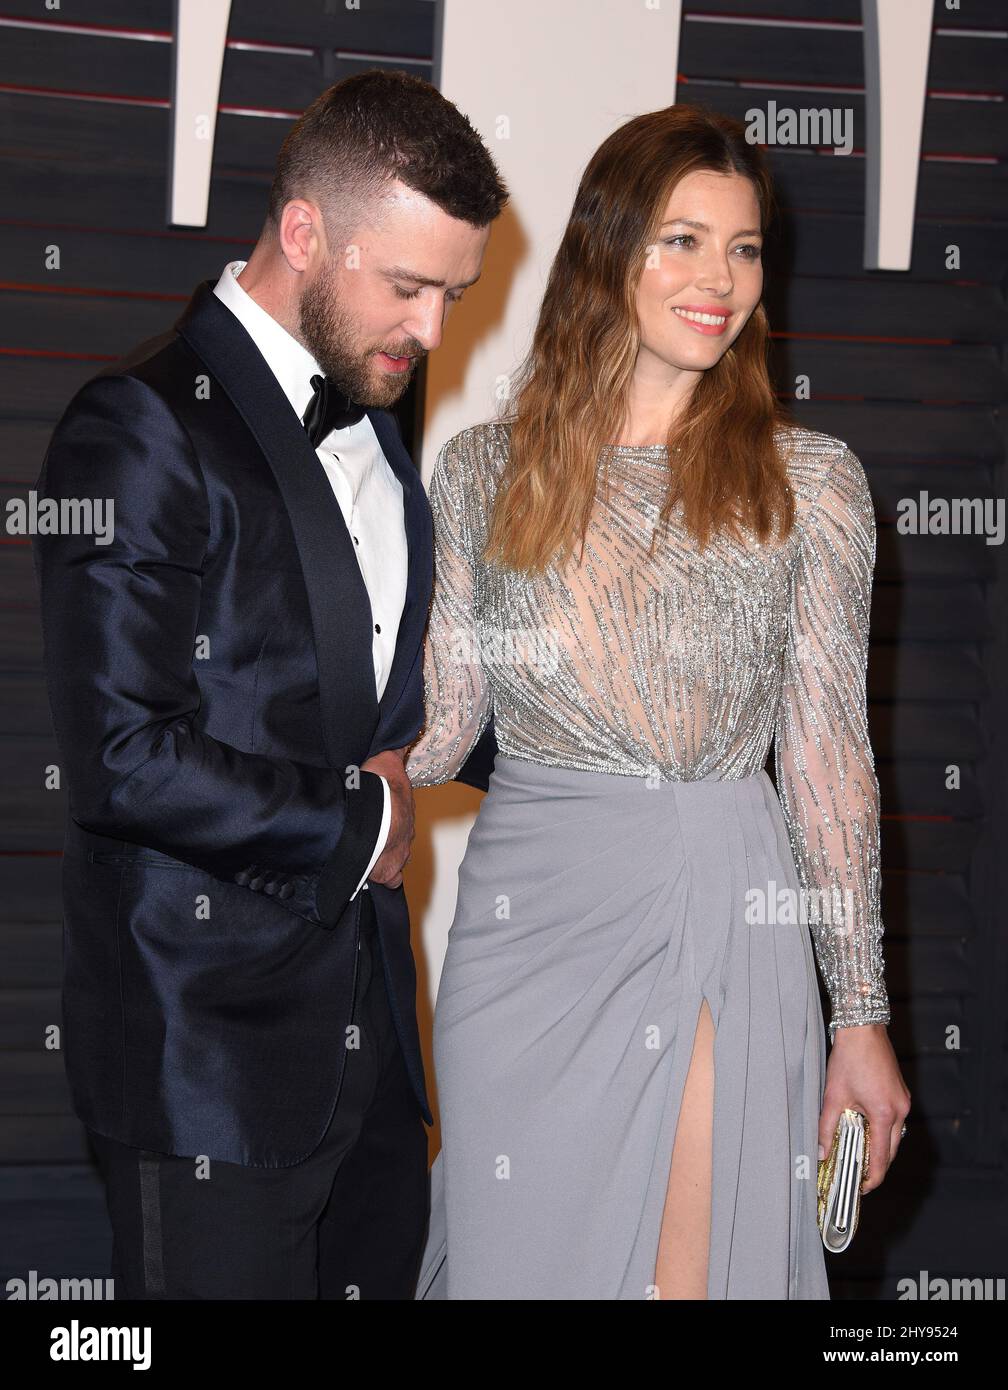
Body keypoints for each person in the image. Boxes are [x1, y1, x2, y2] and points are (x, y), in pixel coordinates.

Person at [406, 104, 911, 1300]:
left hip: (718, 901)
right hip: (524, 933)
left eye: (743, 250)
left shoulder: (810, 484)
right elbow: (432, 736)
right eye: (683, 241)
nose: (719, 280)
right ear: (609, 251)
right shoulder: (483, 471)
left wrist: (864, 1015)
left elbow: (831, 761)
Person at [32, 70, 507, 1299]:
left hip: (375, 1061)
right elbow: (125, 756)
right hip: (208, 1071)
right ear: (303, 232)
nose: (434, 331)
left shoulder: (378, 412)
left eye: (452, 293)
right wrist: (373, 823)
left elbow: (375, 696)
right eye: (407, 287)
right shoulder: (133, 426)